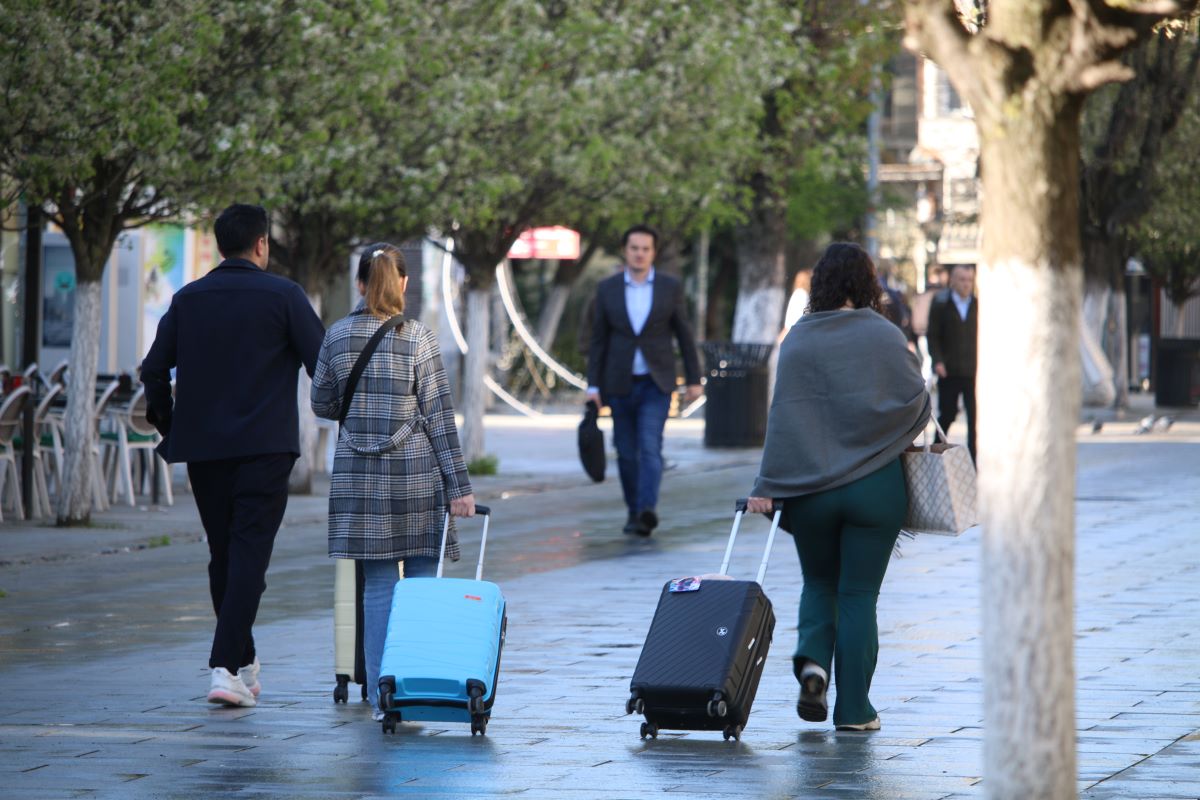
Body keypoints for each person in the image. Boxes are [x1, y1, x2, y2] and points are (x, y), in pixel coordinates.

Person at [141, 203, 326, 708]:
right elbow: (323, 367)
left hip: (204, 449)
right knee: (247, 556)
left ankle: (242, 662)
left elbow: (153, 371)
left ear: (221, 245)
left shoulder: (188, 299)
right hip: (266, 447)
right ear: (261, 244)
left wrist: (170, 423)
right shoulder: (285, 296)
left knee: (224, 554)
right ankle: (224, 668)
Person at [746, 242, 929, 732]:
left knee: (819, 583)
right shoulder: (886, 336)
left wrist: (767, 485)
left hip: (812, 492)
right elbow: (916, 402)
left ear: (821, 283)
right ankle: (854, 711)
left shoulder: (798, 340)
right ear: (866, 283)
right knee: (858, 596)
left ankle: (811, 663)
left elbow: (782, 418)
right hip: (876, 489)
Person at [311, 243, 475, 722]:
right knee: (422, 585)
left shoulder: (336, 336)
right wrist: (460, 486)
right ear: (403, 283)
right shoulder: (419, 338)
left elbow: (321, 406)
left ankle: (380, 690)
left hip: (360, 480)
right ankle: (417, 681)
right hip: (417, 476)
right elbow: (440, 418)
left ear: (360, 284)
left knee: (378, 587)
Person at [587, 224, 703, 537]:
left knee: (650, 446)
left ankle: (647, 508)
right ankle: (633, 511)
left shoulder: (669, 286)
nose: (639, 254)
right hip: (619, 383)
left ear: (653, 253)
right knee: (626, 451)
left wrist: (694, 378)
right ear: (625, 251)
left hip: (657, 383)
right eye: (634, 248)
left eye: (645, 249)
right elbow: (598, 340)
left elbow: (684, 333)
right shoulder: (608, 288)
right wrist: (593, 386)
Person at [926, 263, 977, 462]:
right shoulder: (941, 304)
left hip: (973, 372)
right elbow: (933, 335)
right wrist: (937, 361)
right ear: (952, 280)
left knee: (975, 421)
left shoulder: (978, 305)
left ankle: (974, 462)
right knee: (947, 415)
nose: (966, 284)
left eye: (969, 280)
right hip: (949, 371)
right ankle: (934, 456)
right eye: (962, 280)